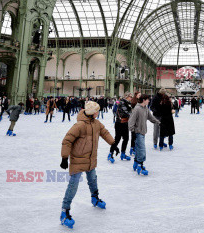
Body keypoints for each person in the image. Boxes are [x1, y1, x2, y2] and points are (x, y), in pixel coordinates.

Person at [59, 101, 119, 229]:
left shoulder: (96, 123)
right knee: (73, 185)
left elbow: (104, 132)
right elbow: (67, 140)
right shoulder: (79, 125)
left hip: (91, 158)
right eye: (97, 111)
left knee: (92, 179)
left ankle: (95, 198)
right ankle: (64, 211)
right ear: (92, 113)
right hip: (78, 159)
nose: (98, 112)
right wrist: (64, 158)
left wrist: (113, 144)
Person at [129, 94, 161, 176]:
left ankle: (136, 163)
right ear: (143, 100)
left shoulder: (146, 108)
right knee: (142, 150)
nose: (149, 101)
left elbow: (150, 117)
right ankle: (140, 165)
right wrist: (133, 131)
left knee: (139, 149)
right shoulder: (137, 109)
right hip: (137, 132)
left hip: (143, 132)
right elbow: (131, 122)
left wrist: (158, 122)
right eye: (148, 99)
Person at [109, 92, 132, 162]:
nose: (131, 98)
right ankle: (110, 154)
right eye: (130, 96)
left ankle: (123, 153)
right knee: (117, 139)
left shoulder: (127, 103)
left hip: (125, 123)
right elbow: (128, 113)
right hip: (119, 123)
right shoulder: (122, 103)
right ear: (126, 96)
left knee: (126, 139)